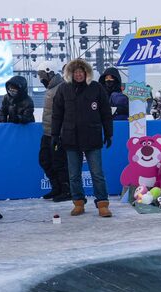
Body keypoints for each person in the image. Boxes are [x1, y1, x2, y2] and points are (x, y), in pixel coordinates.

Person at [51, 58, 114, 218]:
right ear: (70, 74)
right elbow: (57, 114)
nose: (78, 74)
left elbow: (106, 114)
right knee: (73, 174)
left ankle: (102, 204)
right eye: (75, 72)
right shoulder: (64, 89)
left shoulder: (96, 88)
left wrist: (108, 133)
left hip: (92, 137)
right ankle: (78, 202)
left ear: (86, 73)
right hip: (70, 138)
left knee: (97, 173)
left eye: (81, 72)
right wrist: (55, 135)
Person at [37, 61, 70, 203]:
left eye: (42, 75)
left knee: (59, 162)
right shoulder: (51, 88)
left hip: (58, 134)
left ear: (50, 73)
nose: (41, 79)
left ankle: (66, 190)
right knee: (44, 160)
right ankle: (56, 187)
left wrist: (61, 132)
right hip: (47, 132)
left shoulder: (62, 87)